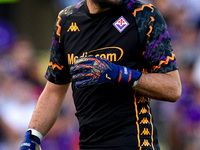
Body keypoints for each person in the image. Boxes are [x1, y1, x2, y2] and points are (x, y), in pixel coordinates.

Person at [20, 0, 182, 149]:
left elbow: (173, 88)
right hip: (88, 144)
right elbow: (54, 91)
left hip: (135, 143)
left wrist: (121, 74)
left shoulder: (144, 15)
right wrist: (33, 136)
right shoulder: (66, 20)